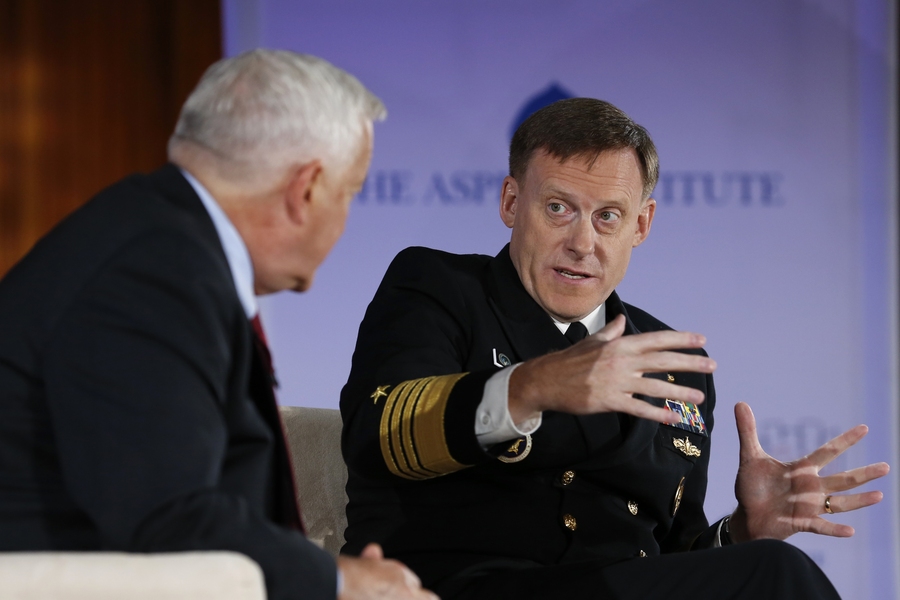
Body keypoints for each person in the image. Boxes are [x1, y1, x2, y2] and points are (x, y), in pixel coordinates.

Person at [339, 98, 890, 599]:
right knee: (777, 574)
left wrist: (742, 531)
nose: (583, 243)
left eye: (608, 216)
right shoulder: (438, 286)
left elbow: (672, 561)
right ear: (511, 202)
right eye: (558, 208)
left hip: (612, 591)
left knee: (763, 561)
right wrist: (528, 389)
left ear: (641, 224)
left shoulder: (677, 369)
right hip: (462, 588)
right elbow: (380, 432)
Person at [0, 49, 437, 600]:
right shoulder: (154, 275)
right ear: (305, 189)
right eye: (349, 192)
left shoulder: (157, 240)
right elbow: (168, 516)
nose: (346, 217)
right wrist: (339, 580)